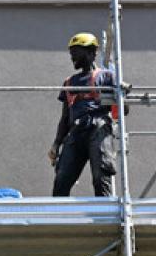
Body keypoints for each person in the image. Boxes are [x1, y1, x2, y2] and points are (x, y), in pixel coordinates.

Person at [49, 32, 125, 197]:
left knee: (100, 176)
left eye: (76, 53)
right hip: (76, 132)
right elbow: (65, 119)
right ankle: (59, 218)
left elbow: (123, 110)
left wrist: (120, 94)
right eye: (71, 54)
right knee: (62, 178)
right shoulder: (69, 83)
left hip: (98, 128)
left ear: (91, 52)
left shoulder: (106, 77)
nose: (72, 58)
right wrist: (56, 144)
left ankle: (104, 218)